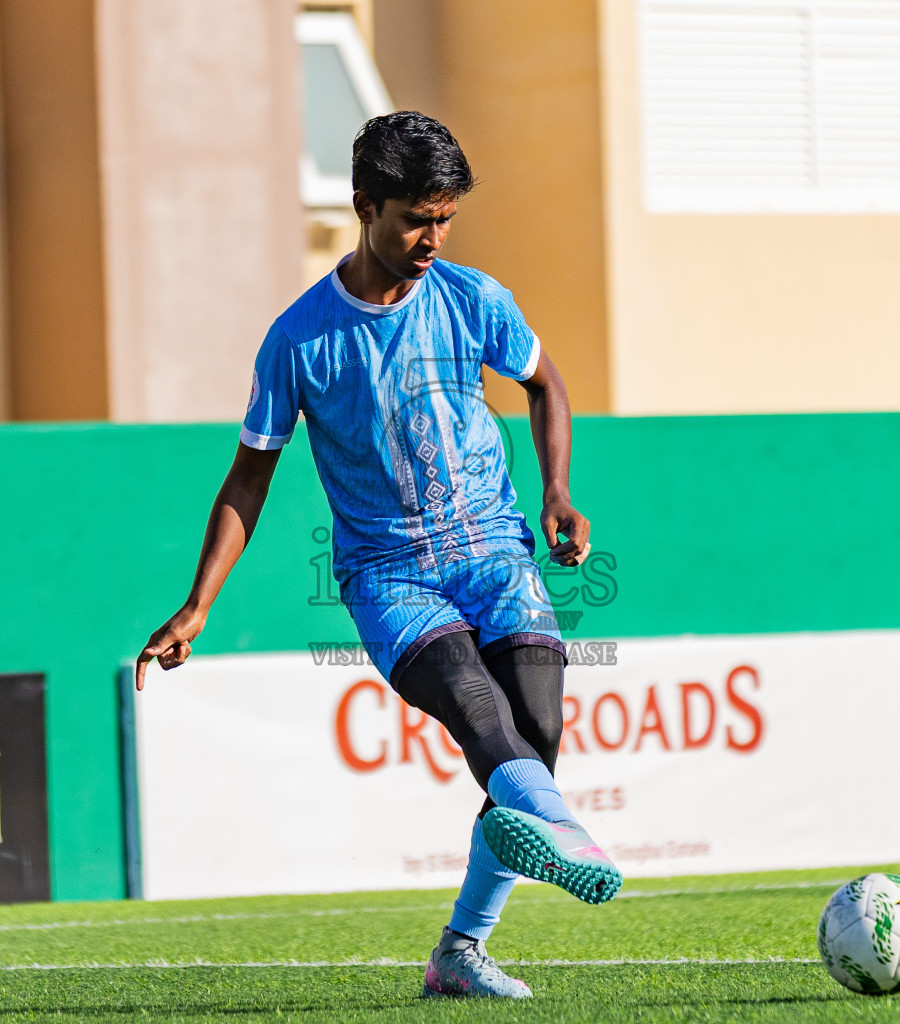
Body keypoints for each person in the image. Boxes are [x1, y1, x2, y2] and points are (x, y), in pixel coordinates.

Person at [135, 111, 620, 1000]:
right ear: (364, 207)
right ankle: (567, 835)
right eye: (414, 218)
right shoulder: (299, 339)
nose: (432, 237)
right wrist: (198, 603)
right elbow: (248, 479)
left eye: (445, 218)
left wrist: (556, 491)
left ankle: (460, 955)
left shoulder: (476, 299)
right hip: (390, 577)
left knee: (536, 734)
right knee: (482, 718)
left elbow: (545, 385)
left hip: (495, 549)